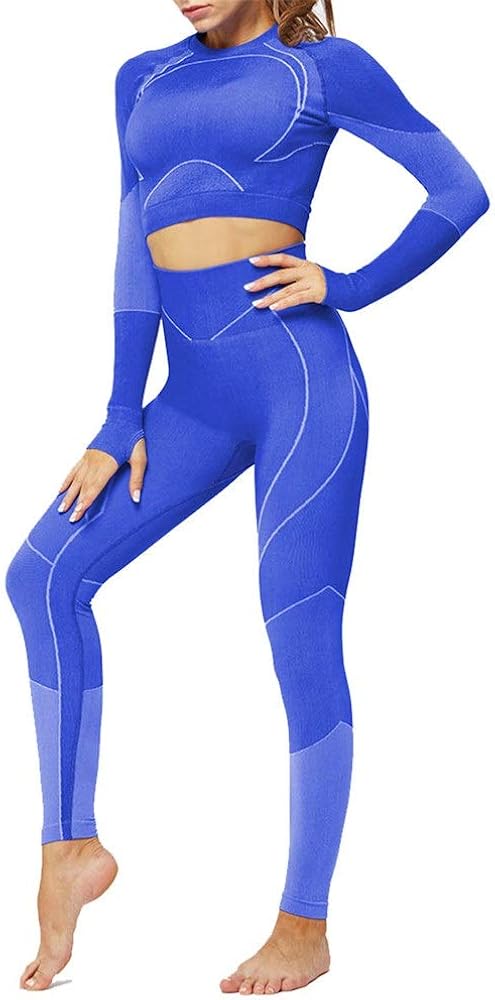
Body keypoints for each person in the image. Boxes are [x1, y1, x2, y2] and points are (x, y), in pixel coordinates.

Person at [5, 0, 489, 993]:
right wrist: (119, 414)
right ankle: (70, 847)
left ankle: (303, 925)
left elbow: (458, 188)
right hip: (189, 397)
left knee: (299, 632)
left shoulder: (327, 68)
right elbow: (133, 239)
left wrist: (347, 285)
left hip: (298, 383)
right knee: (42, 575)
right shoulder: (141, 77)